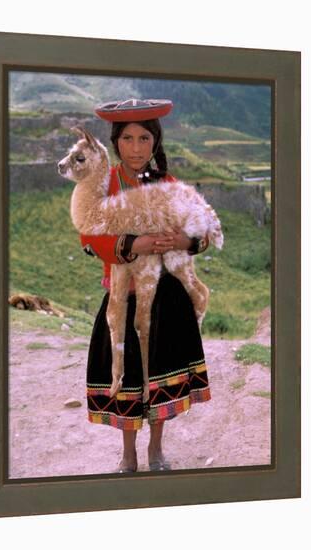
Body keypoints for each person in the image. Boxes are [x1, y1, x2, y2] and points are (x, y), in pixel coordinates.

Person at [80, 98, 211, 473]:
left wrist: (184, 242)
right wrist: (132, 244)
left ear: (155, 143)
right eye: (127, 139)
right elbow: (89, 237)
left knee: (160, 379)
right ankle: (128, 454)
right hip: (124, 297)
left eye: (144, 139)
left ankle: (155, 449)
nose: (136, 148)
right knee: (127, 381)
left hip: (167, 299)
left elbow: (202, 229)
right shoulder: (103, 185)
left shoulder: (169, 184)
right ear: (115, 142)